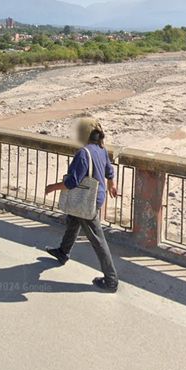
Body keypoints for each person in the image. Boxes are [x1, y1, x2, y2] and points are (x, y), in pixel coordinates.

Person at [44, 118, 119, 292]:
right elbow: (109, 171)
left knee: (97, 239)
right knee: (73, 220)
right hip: (96, 196)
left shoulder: (83, 153)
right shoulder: (101, 149)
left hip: (88, 199)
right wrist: (111, 184)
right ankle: (63, 252)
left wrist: (52, 187)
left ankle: (111, 280)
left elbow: (72, 182)